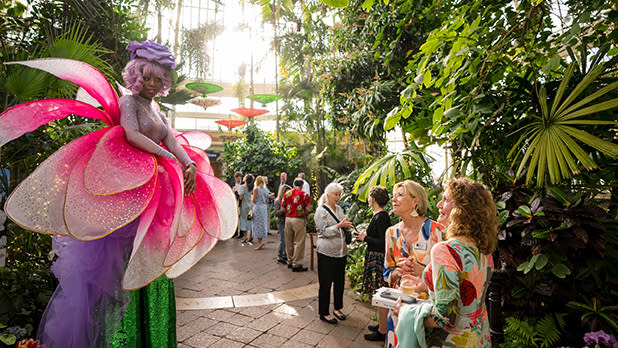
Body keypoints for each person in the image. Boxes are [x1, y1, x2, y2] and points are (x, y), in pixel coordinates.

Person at [0, 41, 237, 348]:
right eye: (147, 77)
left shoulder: (155, 109)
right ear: (137, 75)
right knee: (121, 265)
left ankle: (148, 332)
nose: (152, 84)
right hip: (129, 191)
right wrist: (166, 157)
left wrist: (188, 161)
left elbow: (171, 139)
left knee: (151, 260)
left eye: (158, 78)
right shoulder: (129, 104)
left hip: (152, 195)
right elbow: (131, 134)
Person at [393, 178, 497, 347]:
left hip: (452, 341)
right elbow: (467, 286)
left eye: (446, 200)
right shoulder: (485, 250)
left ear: (462, 210)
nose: (439, 205)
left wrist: (405, 313)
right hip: (480, 338)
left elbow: (445, 318)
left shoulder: (444, 250)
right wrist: (424, 284)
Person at [384, 180, 445, 348]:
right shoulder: (391, 233)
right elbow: (387, 275)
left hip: (427, 314)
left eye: (400, 195)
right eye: (394, 196)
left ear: (415, 201)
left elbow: (449, 275)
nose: (394, 199)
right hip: (398, 309)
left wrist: (423, 270)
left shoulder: (436, 231)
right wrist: (398, 271)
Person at [314, 182, 354, 324]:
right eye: (335, 194)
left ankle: (337, 308)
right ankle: (324, 312)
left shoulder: (339, 209)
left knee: (339, 282)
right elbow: (322, 232)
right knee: (325, 283)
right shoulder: (321, 211)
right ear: (328, 195)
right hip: (326, 252)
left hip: (341, 252)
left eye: (339, 194)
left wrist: (347, 226)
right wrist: (339, 226)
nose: (338, 197)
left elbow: (342, 225)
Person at [355, 186, 391, 341]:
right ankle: (381, 323)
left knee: (381, 293)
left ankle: (383, 331)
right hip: (374, 256)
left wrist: (365, 238)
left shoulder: (382, 217)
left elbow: (384, 242)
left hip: (378, 257)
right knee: (378, 292)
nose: (368, 199)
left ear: (374, 199)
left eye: (369, 197)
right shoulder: (378, 215)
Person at [283, 178, 313, 272]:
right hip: (299, 219)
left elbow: (283, 208)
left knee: (289, 241)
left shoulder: (287, 194)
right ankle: (296, 264)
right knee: (299, 242)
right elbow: (309, 209)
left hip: (288, 219)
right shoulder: (304, 195)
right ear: (302, 186)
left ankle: (290, 261)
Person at [274, 184, 292, 264]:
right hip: (281, 222)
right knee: (283, 240)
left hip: (288, 222)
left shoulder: (291, 201)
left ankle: (285, 255)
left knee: (288, 239)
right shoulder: (278, 201)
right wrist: (282, 210)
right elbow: (276, 213)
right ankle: (279, 256)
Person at [251, 176, 270, 250]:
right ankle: (261, 240)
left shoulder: (256, 189)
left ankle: (260, 242)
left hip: (258, 207)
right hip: (264, 208)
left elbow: (253, 200)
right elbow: (267, 201)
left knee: (257, 224)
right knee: (262, 224)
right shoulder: (266, 190)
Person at [238, 174, 255, 244]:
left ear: (246, 179)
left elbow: (241, 197)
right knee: (250, 220)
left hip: (244, 205)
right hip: (251, 205)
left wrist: (236, 194)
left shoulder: (242, 187)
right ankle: (251, 236)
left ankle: (245, 237)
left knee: (244, 220)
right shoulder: (252, 187)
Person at [231, 171, 244, 238]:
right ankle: (235, 232)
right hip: (235, 201)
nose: (237, 179)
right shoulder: (232, 183)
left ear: (240, 177)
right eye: (236, 178)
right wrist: (233, 191)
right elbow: (230, 191)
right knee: (235, 217)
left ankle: (241, 233)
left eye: (238, 178)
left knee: (241, 217)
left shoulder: (243, 183)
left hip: (242, 201)